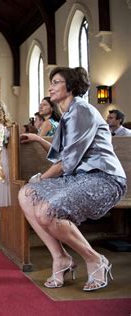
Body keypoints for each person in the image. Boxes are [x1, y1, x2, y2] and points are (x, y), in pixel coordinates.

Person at [19, 67, 126, 292]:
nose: (51, 87)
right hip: (80, 177)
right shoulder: (68, 113)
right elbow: (63, 155)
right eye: (51, 82)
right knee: (25, 195)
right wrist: (38, 138)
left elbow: (67, 162)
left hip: (104, 178)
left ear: (71, 86)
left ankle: (95, 259)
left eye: (56, 82)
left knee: (46, 210)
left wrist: (39, 178)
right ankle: (60, 258)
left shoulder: (81, 110)